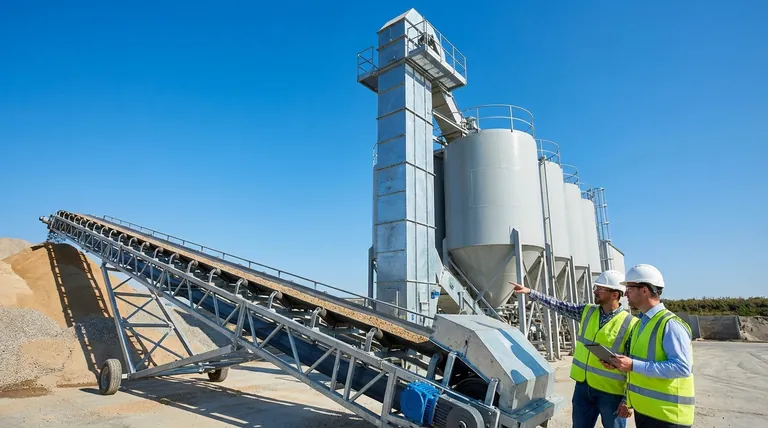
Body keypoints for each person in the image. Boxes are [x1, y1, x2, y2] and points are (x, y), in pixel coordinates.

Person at [510, 270, 638, 428]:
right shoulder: (587, 311)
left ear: (614, 295)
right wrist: (531, 292)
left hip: (611, 394)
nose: (595, 291)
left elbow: (634, 366)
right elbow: (559, 305)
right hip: (583, 389)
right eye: (595, 287)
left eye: (600, 289)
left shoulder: (631, 324)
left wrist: (628, 400)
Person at [605, 264, 695, 428]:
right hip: (646, 412)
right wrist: (620, 365)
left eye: (629, 288)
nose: (625, 294)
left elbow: (682, 367)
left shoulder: (670, 324)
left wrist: (633, 365)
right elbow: (639, 365)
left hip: (668, 418)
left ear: (644, 290)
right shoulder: (641, 324)